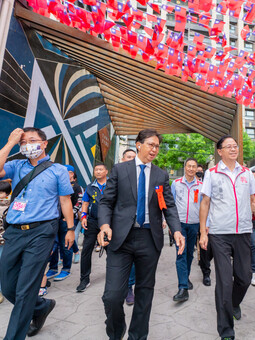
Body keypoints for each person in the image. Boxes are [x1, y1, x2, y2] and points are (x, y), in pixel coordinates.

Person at [0, 127, 75, 339]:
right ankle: (41, 306)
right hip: (15, 232)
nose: (27, 145)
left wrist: (70, 229)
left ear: (44, 144)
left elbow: (65, 200)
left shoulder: (58, 170)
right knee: (8, 286)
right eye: (23, 142)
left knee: (25, 290)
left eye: (32, 140)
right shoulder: (16, 166)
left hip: (42, 232)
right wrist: (10, 143)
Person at [98, 129, 185, 340]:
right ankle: (116, 332)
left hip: (149, 238)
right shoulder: (119, 169)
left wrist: (177, 230)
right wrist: (104, 226)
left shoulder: (161, 174)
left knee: (145, 292)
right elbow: (106, 202)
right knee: (112, 296)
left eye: (157, 146)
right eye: (150, 145)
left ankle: (137, 336)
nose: (154, 149)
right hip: (121, 239)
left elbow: (169, 207)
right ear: (138, 144)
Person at [199, 135, 255, 340]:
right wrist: (203, 232)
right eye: (228, 146)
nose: (233, 149)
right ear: (220, 151)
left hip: (244, 232)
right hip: (219, 234)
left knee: (244, 278)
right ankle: (226, 330)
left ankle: (234, 302)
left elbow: (254, 200)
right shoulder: (211, 173)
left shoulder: (246, 173)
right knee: (225, 283)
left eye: (235, 146)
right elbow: (205, 203)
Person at [171, 158, 203, 302]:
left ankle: (186, 277)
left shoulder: (201, 186)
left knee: (189, 253)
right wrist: (170, 224)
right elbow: (170, 204)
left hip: (194, 224)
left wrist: (205, 225)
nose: (191, 169)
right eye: (189, 166)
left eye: (194, 166)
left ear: (197, 169)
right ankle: (183, 287)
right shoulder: (176, 184)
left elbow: (204, 207)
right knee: (181, 253)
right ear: (185, 168)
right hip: (179, 225)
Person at [46, 164, 83, 281]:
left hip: (65, 221)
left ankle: (66, 269)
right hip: (53, 220)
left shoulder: (76, 187)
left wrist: (69, 216)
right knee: (52, 244)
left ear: (71, 174)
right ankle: (53, 268)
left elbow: (79, 203)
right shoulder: (56, 185)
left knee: (66, 244)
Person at [77, 163, 108, 293]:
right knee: (86, 251)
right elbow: (85, 202)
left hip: (108, 223)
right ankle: (84, 279)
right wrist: (83, 216)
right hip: (92, 221)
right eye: (96, 170)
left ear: (106, 171)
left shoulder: (113, 185)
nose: (98, 172)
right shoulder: (90, 187)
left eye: (101, 169)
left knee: (111, 251)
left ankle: (115, 277)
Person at [121, 148, 138, 305]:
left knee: (132, 260)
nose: (132, 160)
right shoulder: (116, 174)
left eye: (134, 157)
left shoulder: (140, 177)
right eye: (129, 157)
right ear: (122, 159)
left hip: (136, 228)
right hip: (118, 229)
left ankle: (128, 287)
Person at [197, 165, 213, 286]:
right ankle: (206, 273)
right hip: (205, 223)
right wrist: (204, 225)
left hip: (220, 224)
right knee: (205, 251)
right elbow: (203, 205)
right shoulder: (201, 187)